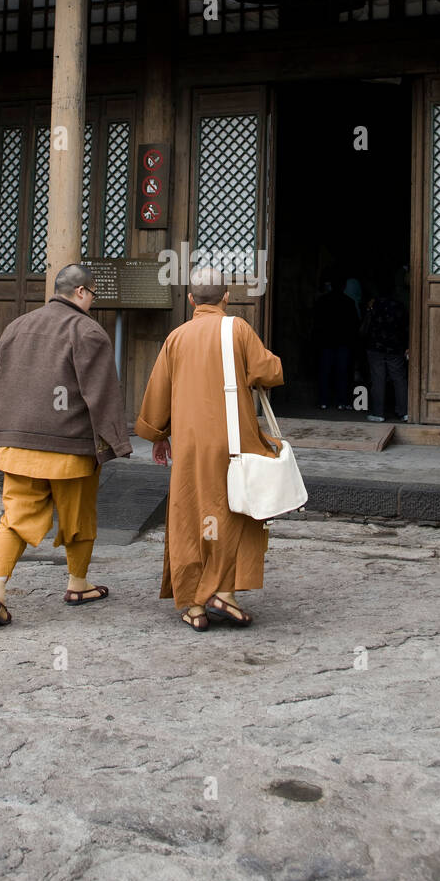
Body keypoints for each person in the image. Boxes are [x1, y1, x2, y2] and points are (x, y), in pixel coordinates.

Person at [0, 262, 131, 626]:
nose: (92, 301)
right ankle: (78, 583)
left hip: (18, 449)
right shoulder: (88, 331)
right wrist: (115, 443)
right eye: (92, 294)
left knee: (14, 520)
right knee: (78, 520)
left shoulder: (18, 326)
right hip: (70, 448)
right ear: (81, 292)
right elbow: (102, 393)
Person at [134, 267, 284, 633]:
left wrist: (158, 435)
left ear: (191, 300)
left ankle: (194, 603)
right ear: (227, 297)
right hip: (235, 442)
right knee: (234, 511)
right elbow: (269, 373)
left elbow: (158, 394)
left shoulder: (176, 337)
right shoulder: (237, 329)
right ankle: (226, 592)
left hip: (190, 444)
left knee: (191, 516)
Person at [363, 276, 409, 423]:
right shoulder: (399, 305)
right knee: (399, 379)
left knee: (378, 379)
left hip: (375, 347)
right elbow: (405, 326)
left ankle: (378, 413)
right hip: (395, 347)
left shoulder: (373, 304)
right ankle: (404, 412)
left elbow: (366, 324)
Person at [313, 273, 360, 410]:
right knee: (342, 373)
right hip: (343, 343)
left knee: (325, 372)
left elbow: (316, 322)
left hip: (326, 342)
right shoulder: (348, 302)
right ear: (344, 286)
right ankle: (342, 402)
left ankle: (323, 401)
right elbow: (354, 324)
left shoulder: (322, 301)